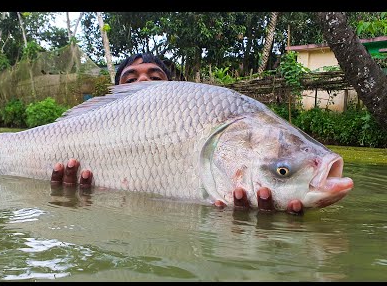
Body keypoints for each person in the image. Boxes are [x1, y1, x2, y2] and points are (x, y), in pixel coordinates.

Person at [50, 53, 304, 215]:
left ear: (173, 88)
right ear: (116, 92)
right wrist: (66, 196)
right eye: (130, 80)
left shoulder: (201, 116)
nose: (143, 82)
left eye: (154, 76)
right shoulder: (89, 124)